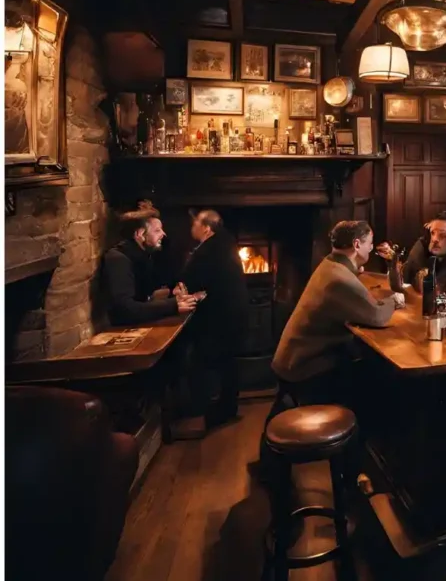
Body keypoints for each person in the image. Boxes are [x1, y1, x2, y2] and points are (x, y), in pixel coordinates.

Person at [260, 221, 404, 470]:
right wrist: (394, 300)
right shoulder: (339, 278)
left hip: (292, 359)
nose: (371, 250)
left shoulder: (330, 265)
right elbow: (377, 317)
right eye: (369, 244)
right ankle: (358, 467)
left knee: (367, 371)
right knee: (377, 387)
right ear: (357, 245)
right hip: (306, 367)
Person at [175, 209, 248, 432]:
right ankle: (225, 407)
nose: (192, 227)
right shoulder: (225, 244)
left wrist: (188, 292)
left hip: (217, 318)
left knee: (202, 363)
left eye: (195, 222)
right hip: (232, 314)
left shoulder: (209, 250)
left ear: (206, 227)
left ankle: (204, 411)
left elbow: (190, 280)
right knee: (227, 362)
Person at [103, 201, 195, 325]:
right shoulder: (118, 259)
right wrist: (173, 305)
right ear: (140, 234)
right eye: (157, 230)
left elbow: (146, 296)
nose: (163, 234)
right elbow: (125, 309)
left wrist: (171, 292)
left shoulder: (145, 254)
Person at [385, 211, 446, 302]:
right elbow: (404, 283)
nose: (435, 239)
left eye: (443, 235)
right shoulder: (421, 247)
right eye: (433, 233)